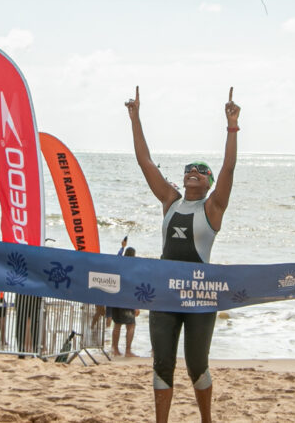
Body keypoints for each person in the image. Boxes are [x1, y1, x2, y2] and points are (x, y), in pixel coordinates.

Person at [127, 85, 240, 423]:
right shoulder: (170, 201)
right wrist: (135, 118)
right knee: (162, 362)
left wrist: (232, 126)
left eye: (201, 169)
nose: (194, 170)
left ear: (207, 182)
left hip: (200, 296)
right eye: (189, 167)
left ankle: (206, 420)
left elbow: (229, 170)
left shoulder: (214, 207)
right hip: (164, 292)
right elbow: (145, 161)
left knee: (196, 364)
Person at [109, 247, 140, 357]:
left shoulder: (118, 265)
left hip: (116, 297)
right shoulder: (132, 268)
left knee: (117, 324)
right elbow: (133, 286)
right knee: (131, 325)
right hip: (127, 299)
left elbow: (117, 256)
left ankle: (115, 349)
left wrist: (122, 247)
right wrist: (136, 305)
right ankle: (128, 350)